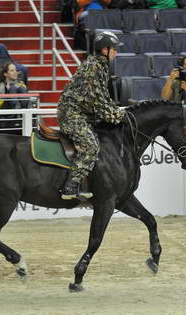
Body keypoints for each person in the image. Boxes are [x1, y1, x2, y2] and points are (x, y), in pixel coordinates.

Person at [57, 31, 125, 200]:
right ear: (105, 49)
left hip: (81, 113)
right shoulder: (95, 66)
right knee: (91, 147)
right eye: (114, 49)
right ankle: (71, 185)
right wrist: (117, 116)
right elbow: (97, 100)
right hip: (72, 114)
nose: (116, 52)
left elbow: (104, 97)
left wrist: (117, 111)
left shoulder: (99, 65)